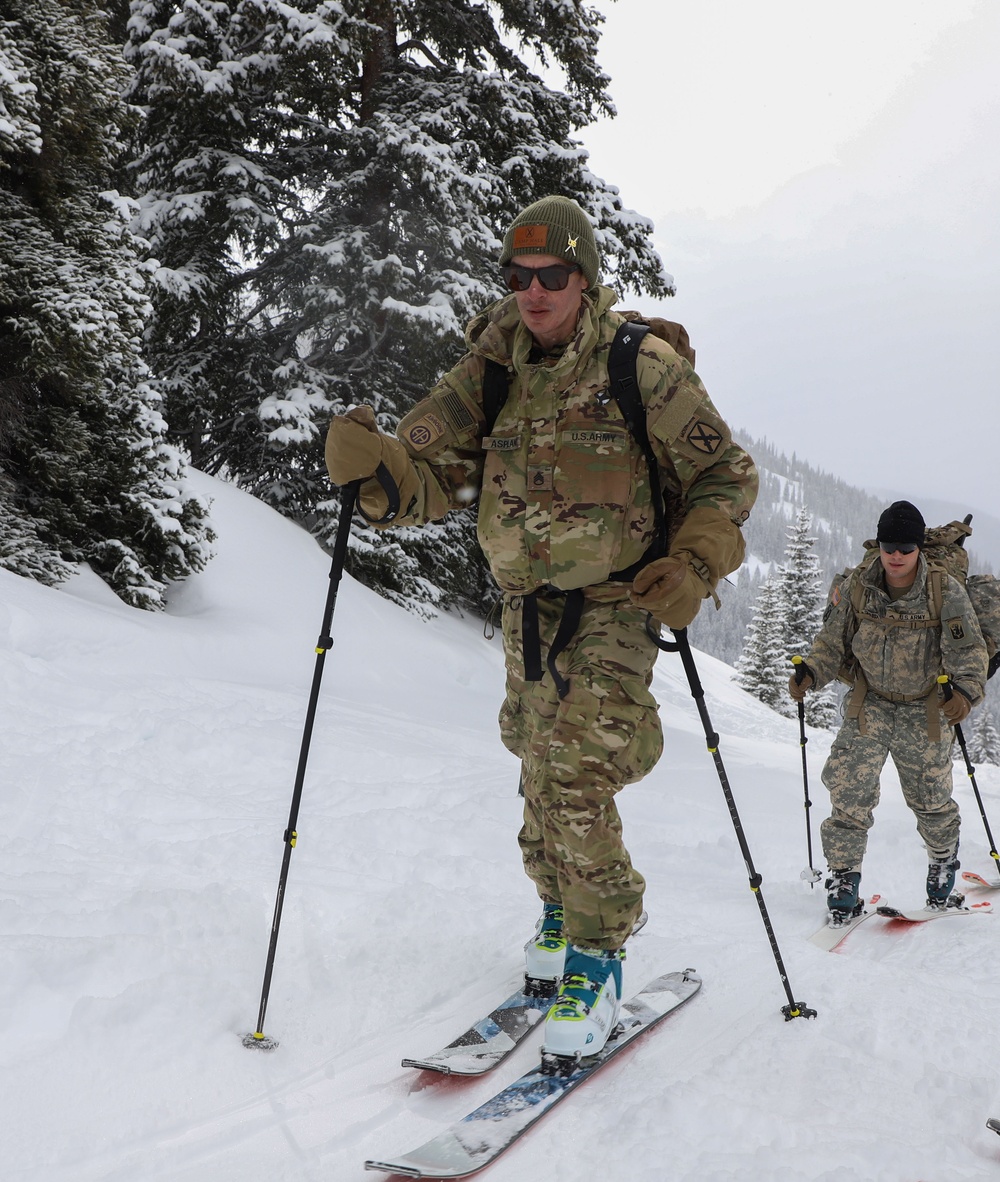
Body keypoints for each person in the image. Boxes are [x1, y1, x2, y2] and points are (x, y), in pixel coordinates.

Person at [325, 195, 758, 1059]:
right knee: (532, 760)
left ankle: (598, 958)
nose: (533, 293)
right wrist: (373, 477)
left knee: (573, 768)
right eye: (518, 277)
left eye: (551, 277)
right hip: (527, 605)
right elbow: (429, 478)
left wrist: (697, 563)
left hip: (617, 602)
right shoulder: (492, 365)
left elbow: (726, 476)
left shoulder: (643, 365)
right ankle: (560, 908)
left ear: (584, 279)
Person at [789, 500, 988, 924]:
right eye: (888, 545)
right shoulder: (861, 585)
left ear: (918, 548)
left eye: (905, 547)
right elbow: (832, 640)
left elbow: (969, 650)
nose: (896, 555)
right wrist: (812, 672)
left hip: (926, 707)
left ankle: (942, 862)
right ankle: (844, 879)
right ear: (878, 545)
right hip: (871, 701)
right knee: (848, 790)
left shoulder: (943, 591)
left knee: (930, 798)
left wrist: (965, 695)